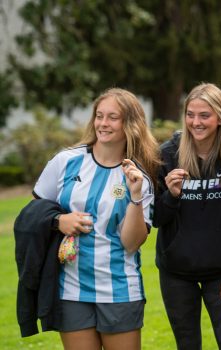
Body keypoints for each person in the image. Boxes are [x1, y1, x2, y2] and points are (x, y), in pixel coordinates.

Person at [32, 88, 159, 350]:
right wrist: (59, 221)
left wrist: (135, 196)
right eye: (99, 116)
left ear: (130, 124)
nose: (103, 123)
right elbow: (34, 215)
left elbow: (131, 243)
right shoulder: (66, 162)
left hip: (120, 290)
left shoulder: (138, 178)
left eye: (113, 117)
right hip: (71, 289)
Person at [153, 83, 221, 350]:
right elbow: (156, 219)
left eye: (204, 115)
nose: (196, 122)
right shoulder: (168, 155)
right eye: (190, 114)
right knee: (187, 344)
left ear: (219, 118)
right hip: (176, 272)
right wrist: (171, 195)